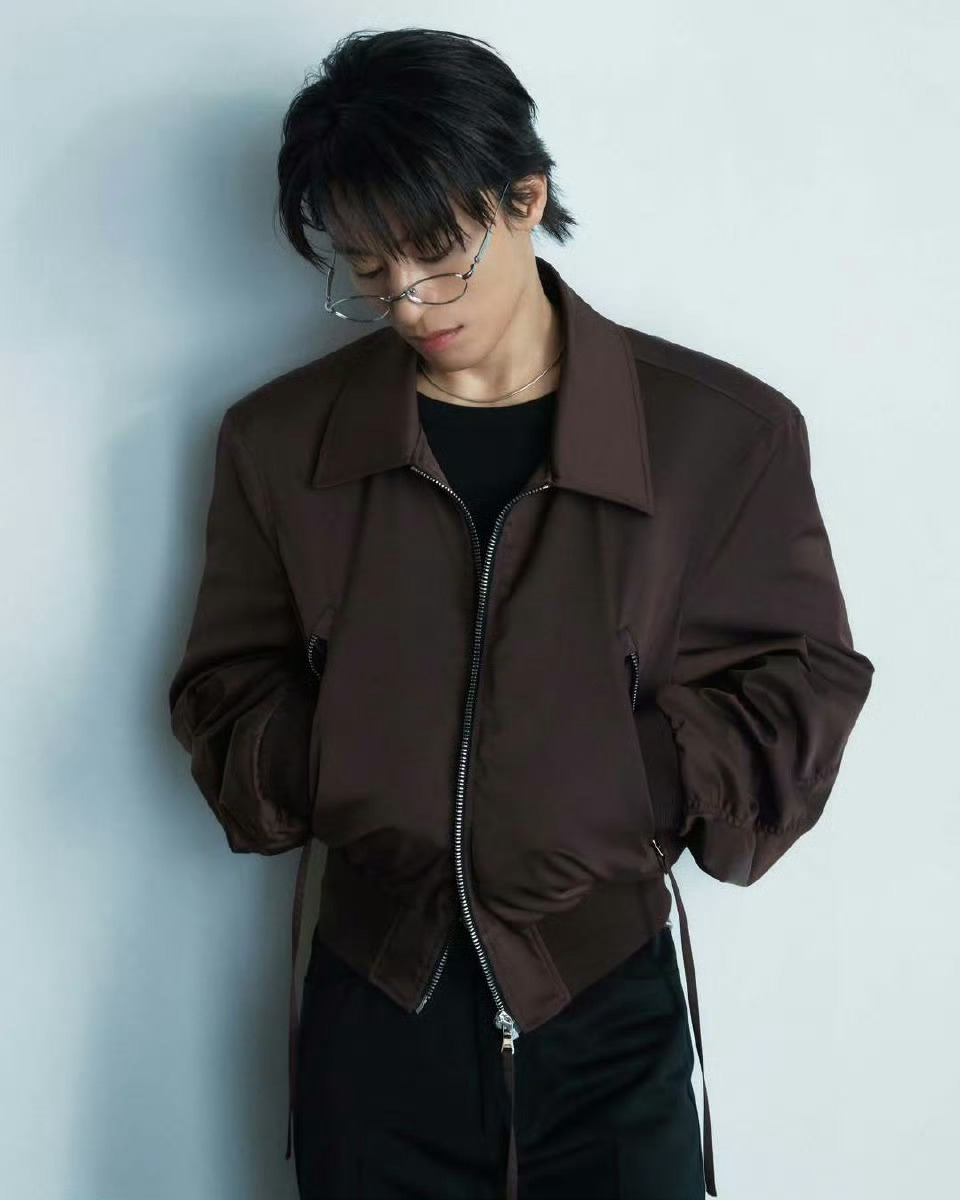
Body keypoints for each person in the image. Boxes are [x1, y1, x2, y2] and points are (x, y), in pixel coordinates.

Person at [168, 26, 875, 1200]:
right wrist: (345, 756)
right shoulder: (278, 444)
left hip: (610, 1015)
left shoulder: (721, 436)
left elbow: (801, 681)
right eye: (365, 265)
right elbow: (223, 687)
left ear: (526, 197)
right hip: (372, 1017)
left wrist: (629, 774)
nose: (406, 300)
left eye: (436, 253)